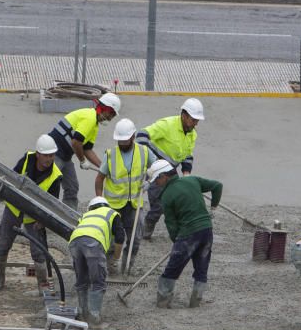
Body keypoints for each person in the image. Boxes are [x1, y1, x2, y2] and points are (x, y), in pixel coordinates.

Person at [0, 134, 63, 293]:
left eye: (52, 155)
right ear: (38, 154)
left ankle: (42, 284)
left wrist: (43, 220)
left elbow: (53, 204)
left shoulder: (55, 176)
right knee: (3, 243)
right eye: (46, 155)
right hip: (14, 208)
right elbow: (11, 178)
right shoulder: (26, 161)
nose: (50, 159)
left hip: (34, 216)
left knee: (38, 251)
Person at [147, 159, 222, 310]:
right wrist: (213, 208)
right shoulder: (192, 180)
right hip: (207, 230)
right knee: (201, 268)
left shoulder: (166, 196)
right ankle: (196, 302)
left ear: (164, 176)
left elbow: (172, 226)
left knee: (172, 269)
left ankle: (163, 302)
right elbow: (217, 186)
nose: (156, 183)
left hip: (188, 234)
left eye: (157, 180)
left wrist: (177, 244)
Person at [136, 97, 204, 240]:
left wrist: (186, 175)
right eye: (194, 119)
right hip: (155, 171)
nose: (196, 123)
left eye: (197, 120)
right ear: (184, 116)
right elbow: (141, 136)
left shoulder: (192, 134)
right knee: (160, 203)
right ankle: (148, 223)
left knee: (177, 199)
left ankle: (180, 231)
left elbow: (187, 156)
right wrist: (154, 163)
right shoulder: (167, 125)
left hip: (171, 171)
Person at [94, 118, 156, 274]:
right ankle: (111, 266)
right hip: (114, 207)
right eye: (119, 141)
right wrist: (100, 202)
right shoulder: (111, 154)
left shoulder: (144, 152)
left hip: (135, 204)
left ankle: (127, 268)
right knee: (113, 240)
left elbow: (157, 169)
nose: (122, 144)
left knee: (135, 240)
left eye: (125, 140)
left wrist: (149, 181)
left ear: (133, 136)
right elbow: (99, 179)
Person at [47, 92, 121, 212]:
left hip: (65, 156)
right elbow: (76, 142)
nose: (110, 118)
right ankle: (42, 216)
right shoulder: (90, 118)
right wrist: (82, 161)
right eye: (111, 114)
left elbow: (87, 149)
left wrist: (104, 167)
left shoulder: (95, 125)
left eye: (112, 115)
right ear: (104, 108)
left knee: (72, 187)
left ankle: (67, 217)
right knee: (50, 186)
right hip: (53, 154)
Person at [68, 196, 127, 328]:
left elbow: (80, 233)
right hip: (93, 243)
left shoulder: (86, 215)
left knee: (82, 280)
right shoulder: (112, 213)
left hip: (74, 242)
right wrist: (116, 258)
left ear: (91, 207)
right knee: (98, 280)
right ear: (106, 205)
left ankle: (83, 314)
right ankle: (94, 319)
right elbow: (120, 237)